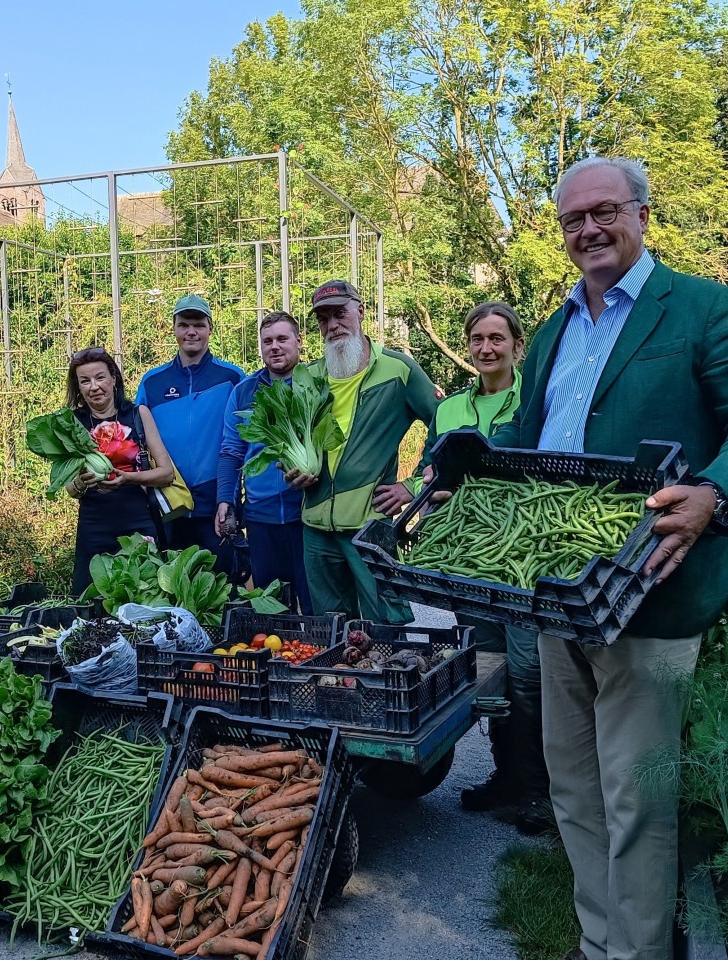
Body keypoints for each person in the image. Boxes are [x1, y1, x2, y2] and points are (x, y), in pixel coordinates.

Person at [490, 157, 728, 960]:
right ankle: (603, 944)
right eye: (571, 220)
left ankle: (638, 950)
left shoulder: (701, 308)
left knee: (636, 798)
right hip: (557, 596)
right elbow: (529, 446)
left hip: (651, 591)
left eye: (604, 212)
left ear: (642, 214)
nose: (588, 229)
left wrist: (714, 497)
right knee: (577, 790)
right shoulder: (552, 331)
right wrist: (476, 488)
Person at [407, 301, 551, 833]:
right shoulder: (449, 409)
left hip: (522, 557)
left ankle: (540, 789)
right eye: (477, 339)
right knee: (488, 675)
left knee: (530, 674)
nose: (486, 348)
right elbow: (431, 468)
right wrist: (425, 485)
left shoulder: (533, 401)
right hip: (470, 561)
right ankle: (506, 778)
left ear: (516, 344)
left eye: (497, 338)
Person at [286, 279, 440, 623]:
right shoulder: (307, 376)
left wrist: (413, 486)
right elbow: (290, 438)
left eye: (340, 313)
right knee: (330, 630)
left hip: (369, 527)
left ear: (360, 311)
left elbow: (444, 425)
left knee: (387, 624)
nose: (333, 325)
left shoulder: (398, 370)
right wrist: (291, 468)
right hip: (315, 528)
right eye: (323, 319)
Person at [134, 294, 244, 571]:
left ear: (210, 329)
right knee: (173, 589)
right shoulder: (152, 381)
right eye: (184, 325)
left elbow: (245, 440)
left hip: (216, 506)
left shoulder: (232, 378)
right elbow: (137, 440)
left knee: (223, 589)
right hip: (169, 507)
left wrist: (230, 499)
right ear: (174, 328)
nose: (191, 331)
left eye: (199, 324)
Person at [215, 310, 312, 613]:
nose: (275, 347)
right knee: (272, 608)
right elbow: (231, 450)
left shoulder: (316, 383)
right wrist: (225, 501)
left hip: (308, 514)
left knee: (315, 606)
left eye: (283, 339)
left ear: (299, 341)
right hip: (261, 517)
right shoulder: (244, 391)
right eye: (267, 341)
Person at [63, 346, 177, 596]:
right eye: (85, 381)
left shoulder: (137, 414)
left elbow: (166, 473)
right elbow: (70, 489)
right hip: (94, 528)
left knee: (143, 599)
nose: (94, 386)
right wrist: (82, 482)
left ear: (113, 379)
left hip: (139, 523)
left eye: (100, 377)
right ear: (78, 388)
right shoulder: (72, 423)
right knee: (92, 604)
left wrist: (127, 478)